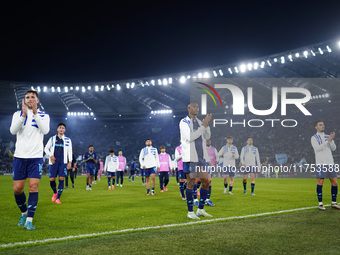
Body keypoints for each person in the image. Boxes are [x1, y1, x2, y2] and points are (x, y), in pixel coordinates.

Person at [10, 90, 50, 230]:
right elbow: (13, 131)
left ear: (37, 100)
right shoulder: (17, 114)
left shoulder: (44, 115)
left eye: (33, 97)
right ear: (24, 100)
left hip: (36, 158)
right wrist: (23, 116)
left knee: (33, 187)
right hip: (20, 157)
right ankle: (23, 212)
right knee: (17, 189)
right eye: (27, 97)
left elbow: (45, 130)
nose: (30, 99)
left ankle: (29, 220)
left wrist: (34, 114)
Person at [180, 102, 212, 219]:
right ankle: (190, 212)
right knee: (191, 182)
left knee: (206, 182)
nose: (196, 108)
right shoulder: (184, 122)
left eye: (197, 107)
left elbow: (207, 137)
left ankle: (201, 209)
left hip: (201, 157)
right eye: (194, 106)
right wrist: (203, 126)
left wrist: (206, 125)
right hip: (190, 157)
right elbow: (190, 137)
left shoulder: (199, 122)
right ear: (188, 108)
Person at [311, 120, 340, 210]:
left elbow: (334, 148)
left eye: (323, 125)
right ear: (316, 127)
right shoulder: (314, 137)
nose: (322, 126)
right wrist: (327, 141)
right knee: (320, 182)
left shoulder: (328, 136)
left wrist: (330, 141)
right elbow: (317, 148)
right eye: (320, 125)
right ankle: (320, 203)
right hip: (321, 163)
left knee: (334, 182)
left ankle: (334, 203)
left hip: (330, 163)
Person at [44, 123, 73, 204]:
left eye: (63, 128)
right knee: (52, 179)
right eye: (60, 128)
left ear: (65, 130)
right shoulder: (52, 139)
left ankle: (58, 198)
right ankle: (55, 192)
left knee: (61, 179)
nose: (61, 129)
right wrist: (50, 155)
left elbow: (70, 151)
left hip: (63, 162)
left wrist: (70, 161)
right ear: (57, 129)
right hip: (53, 162)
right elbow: (46, 148)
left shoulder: (68, 140)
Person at [205, 139, 217, 206]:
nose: (208, 142)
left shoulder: (213, 149)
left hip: (209, 166)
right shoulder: (202, 147)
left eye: (209, 141)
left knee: (209, 181)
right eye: (207, 141)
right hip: (201, 165)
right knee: (197, 181)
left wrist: (216, 162)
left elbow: (216, 157)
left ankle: (207, 199)